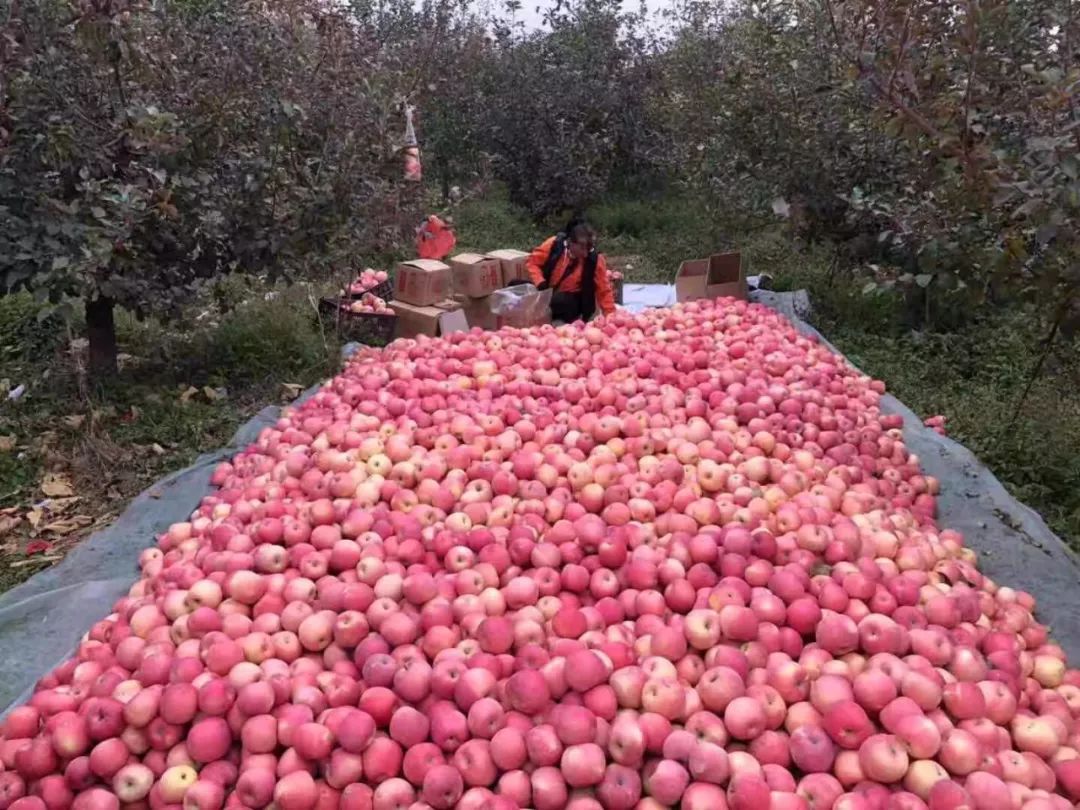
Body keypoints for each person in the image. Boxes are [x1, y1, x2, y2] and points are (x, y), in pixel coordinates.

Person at [526, 216, 616, 323]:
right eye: (582, 247)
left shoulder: (595, 260)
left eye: (588, 248)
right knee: (516, 285)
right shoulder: (554, 244)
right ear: (570, 242)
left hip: (572, 301)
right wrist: (540, 282)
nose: (585, 253)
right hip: (547, 291)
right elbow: (532, 263)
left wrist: (612, 317)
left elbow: (604, 291)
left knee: (560, 301)